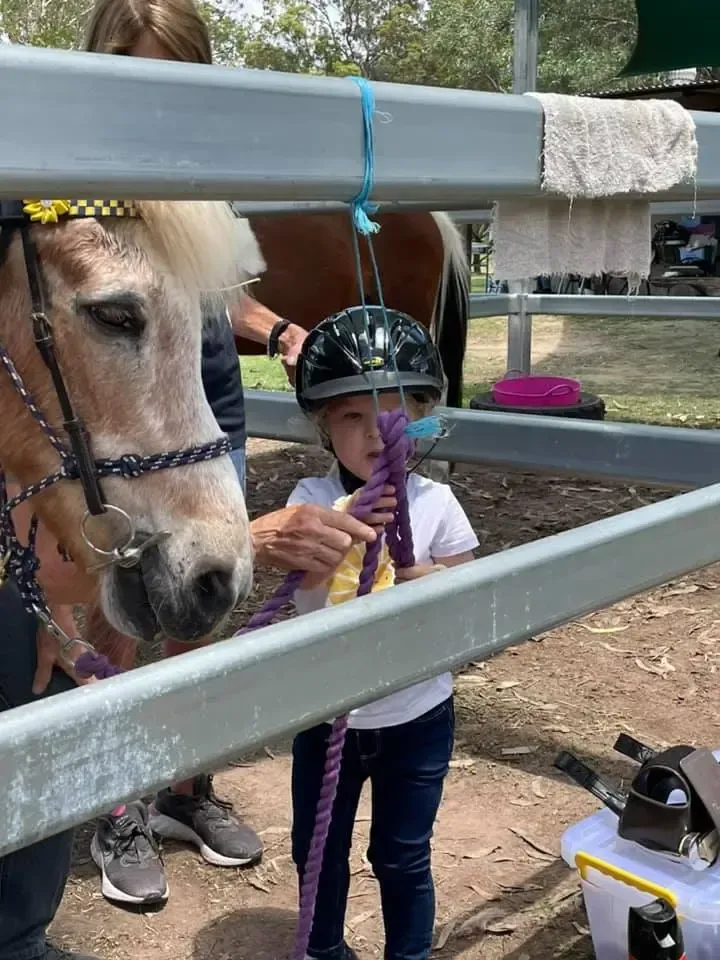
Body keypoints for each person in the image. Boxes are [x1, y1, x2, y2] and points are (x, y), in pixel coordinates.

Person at [287, 307, 479, 960]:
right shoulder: (307, 502)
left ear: (422, 416)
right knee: (315, 849)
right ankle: (324, 948)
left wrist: (416, 573)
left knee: (401, 854)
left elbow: (463, 596)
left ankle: (409, 954)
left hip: (416, 714)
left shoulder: (436, 505)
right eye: (352, 417)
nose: (376, 434)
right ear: (323, 425)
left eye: (396, 414)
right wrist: (331, 543)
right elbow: (302, 594)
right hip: (325, 715)